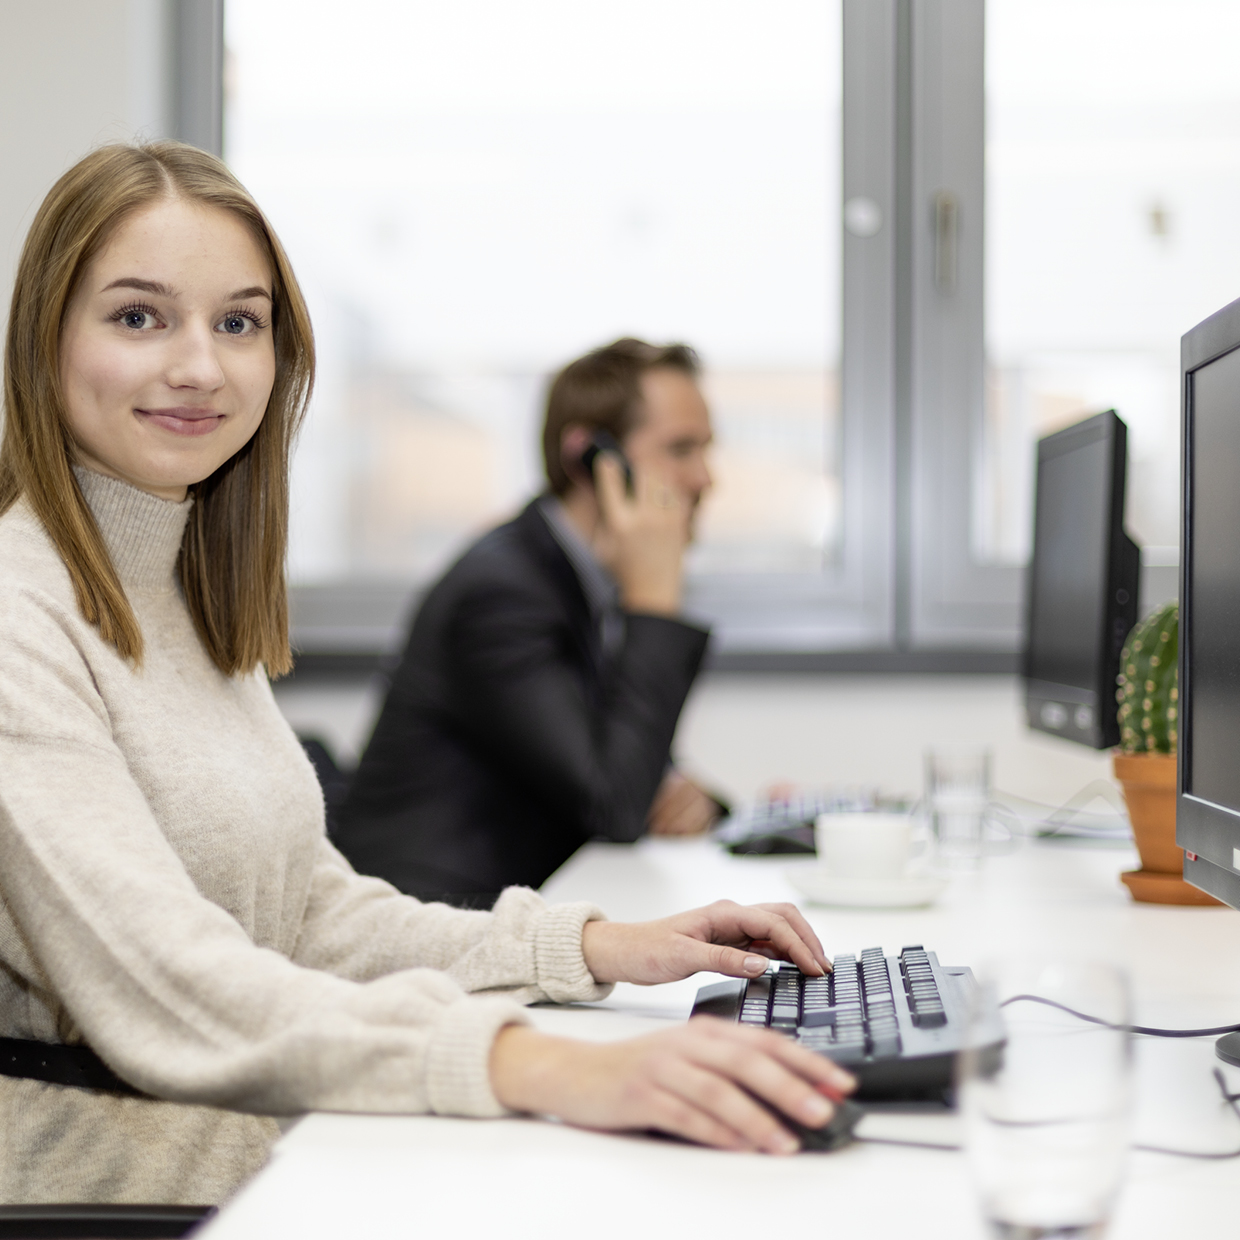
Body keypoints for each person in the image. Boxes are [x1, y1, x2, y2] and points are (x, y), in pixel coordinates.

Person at [0, 142, 854, 1207]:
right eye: (139, 317)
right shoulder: (17, 615)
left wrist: (592, 945)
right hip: (85, 1152)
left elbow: (310, 915)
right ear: (44, 341)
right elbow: (166, 986)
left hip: (206, 1101)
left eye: (238, 321)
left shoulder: (179, 595)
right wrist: (542, 1062)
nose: (200, 366)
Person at [334, 338, 725, 903]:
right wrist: (655, 600)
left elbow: (633, 761)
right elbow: (614, 802)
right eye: (681, 450)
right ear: (591, 456)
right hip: (425, 930)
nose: (705, 478)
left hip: (512, 909)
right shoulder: (503, 593)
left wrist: (698, 799)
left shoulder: (573, 576)